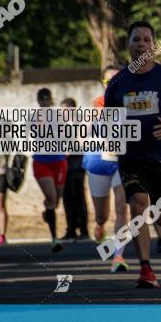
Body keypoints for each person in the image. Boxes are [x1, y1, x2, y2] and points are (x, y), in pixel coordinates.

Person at [104, 22, 161, 288]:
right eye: (136, 40)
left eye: (146, 40)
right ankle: (145, 269)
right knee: (137, 204)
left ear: (153, 46)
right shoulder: (117, 83)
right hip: (131, 157)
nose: (141, 44)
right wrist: (110, 133)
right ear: (128, 45)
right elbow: (109, 119)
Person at [84, 66, 129, 272]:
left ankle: (118, 256)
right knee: (102, 215)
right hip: (98, 162)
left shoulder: (130, 102)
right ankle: (100, 226)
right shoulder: (97, 104)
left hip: (122, 162)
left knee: (122, 208)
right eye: (109, 81)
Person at [33, 87, 68, 253]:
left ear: (50, 100)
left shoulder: (59, 116)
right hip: (41, 161)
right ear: (38, 101)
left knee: (57, 200)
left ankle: (48, 211)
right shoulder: (33, 118)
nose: (44, 102)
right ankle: (54, 239)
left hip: (59, 161)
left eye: (47, 99)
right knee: (52, 198)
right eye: (42, 99)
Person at [60, 97, 89, 242]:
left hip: (77, 165)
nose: (64, 113)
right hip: (64, 165)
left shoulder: (80, 124)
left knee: (78, 196)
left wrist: (70, 149)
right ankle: (70, 229)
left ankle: (84, 229)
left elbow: (82, 143)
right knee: (67, 198)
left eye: (66, 110)